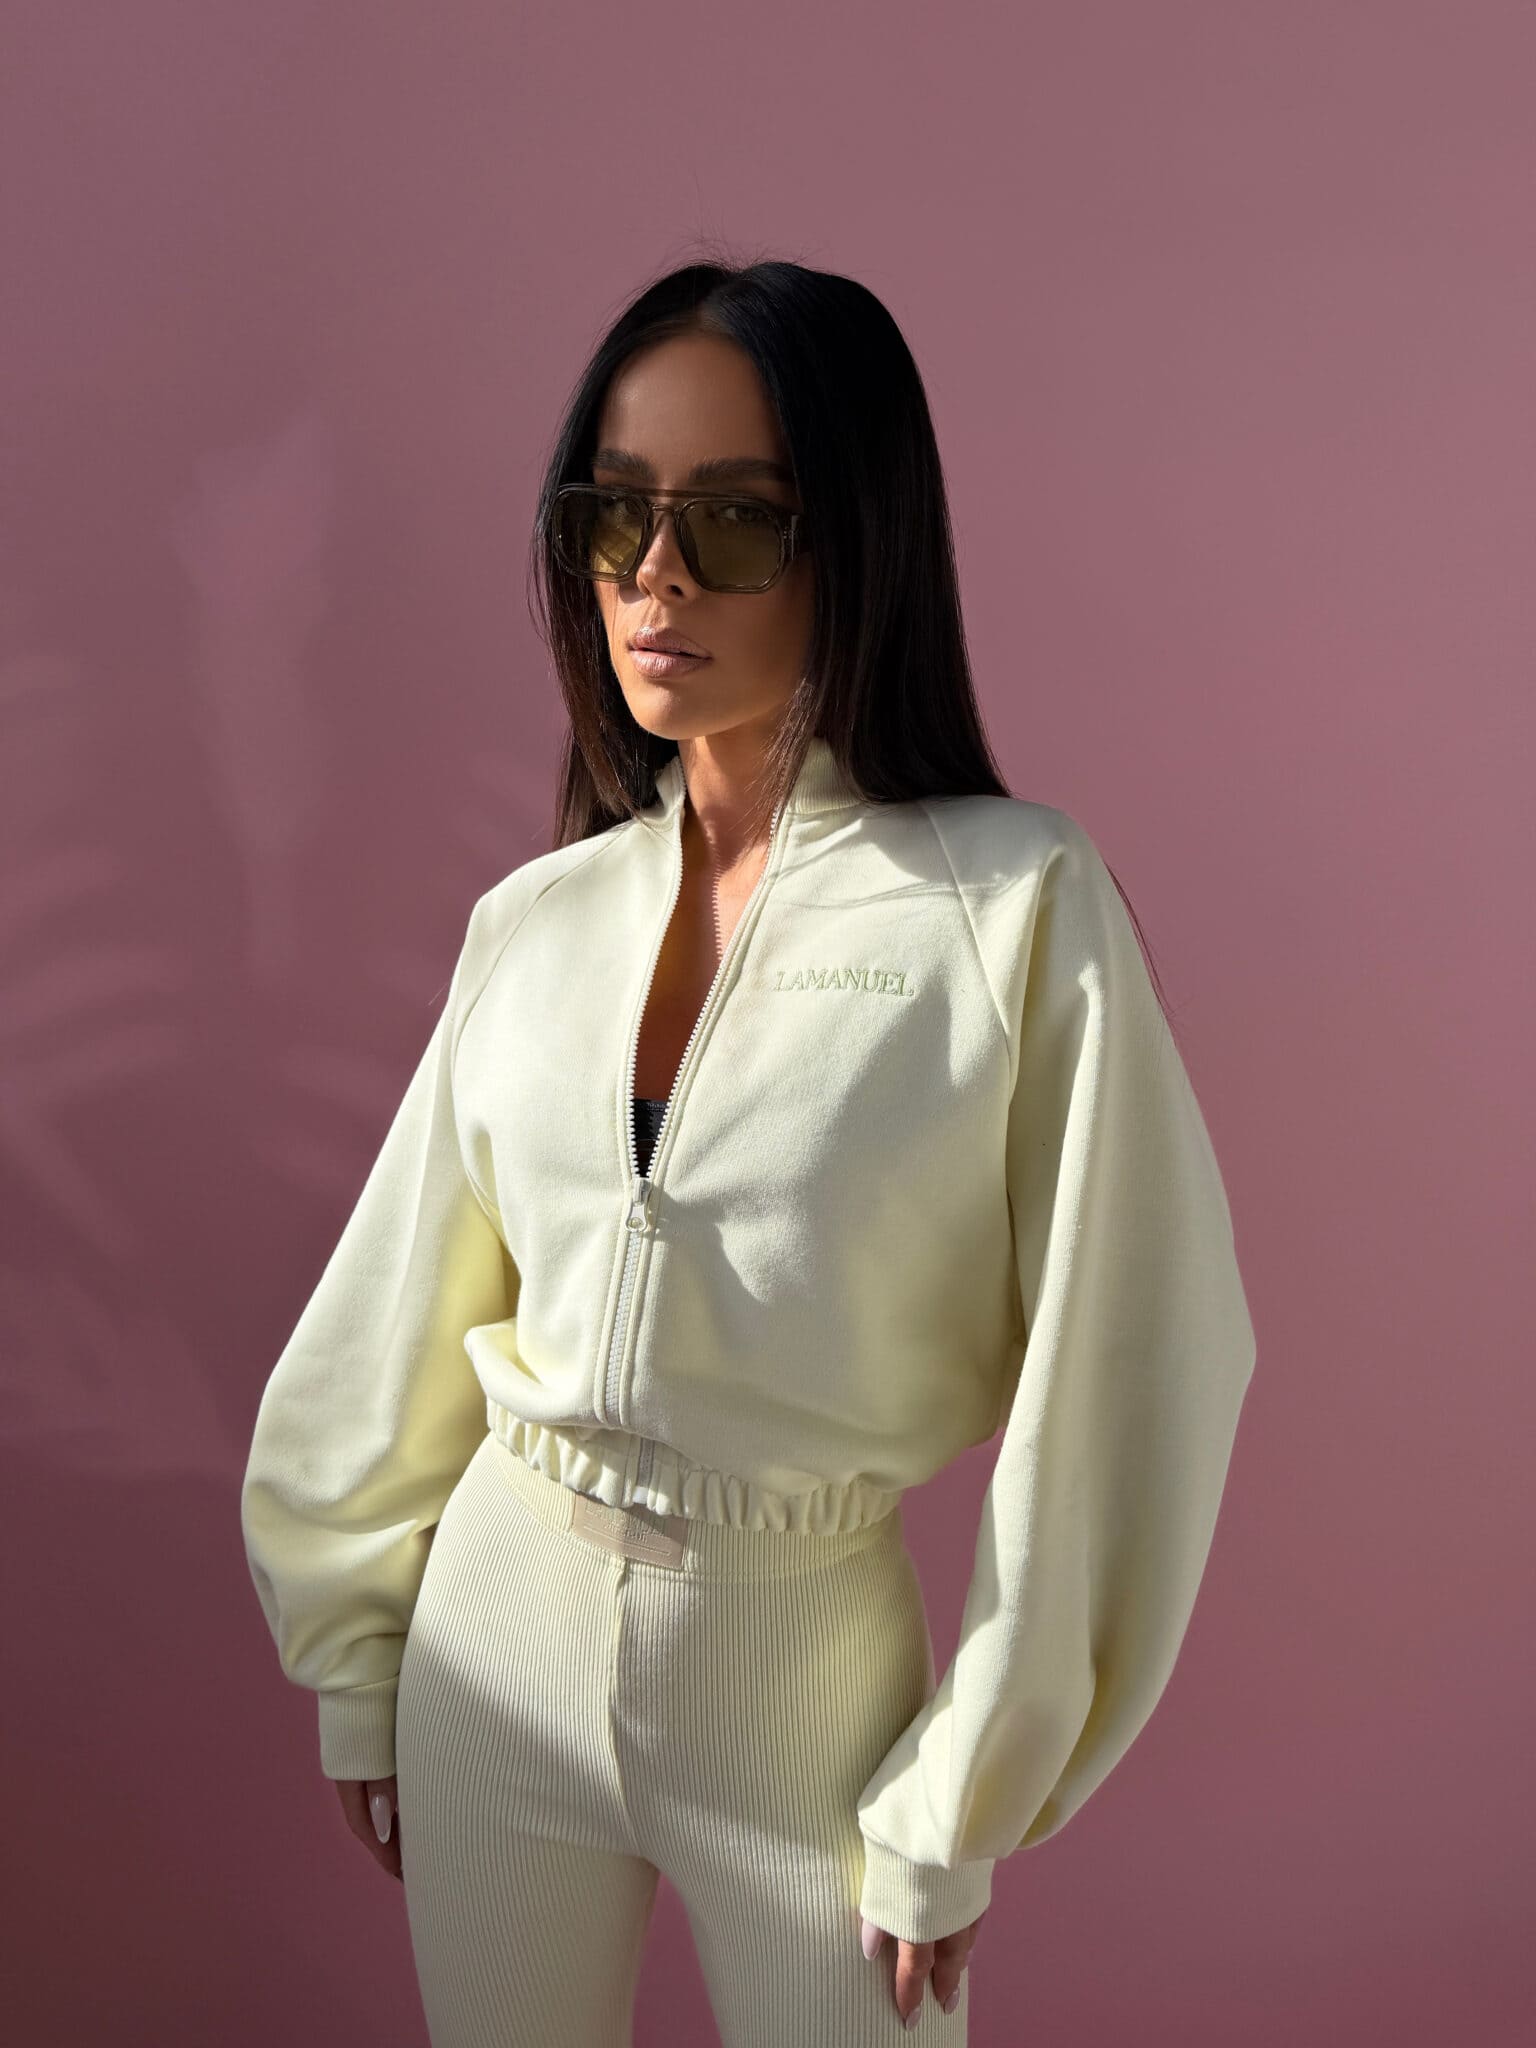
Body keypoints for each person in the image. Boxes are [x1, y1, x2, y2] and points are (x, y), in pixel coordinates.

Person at [239, 255, 1258, 2047]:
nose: (656, 576)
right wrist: (357, 1650)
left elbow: (1139, 1356)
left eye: (735, 521)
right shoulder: (537, 923)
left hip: (800, 1678)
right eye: (613, 514)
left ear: (857, 541)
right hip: (493, 1645)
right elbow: (402, 1300)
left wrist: (963, 1793)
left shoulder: (1012, 908)